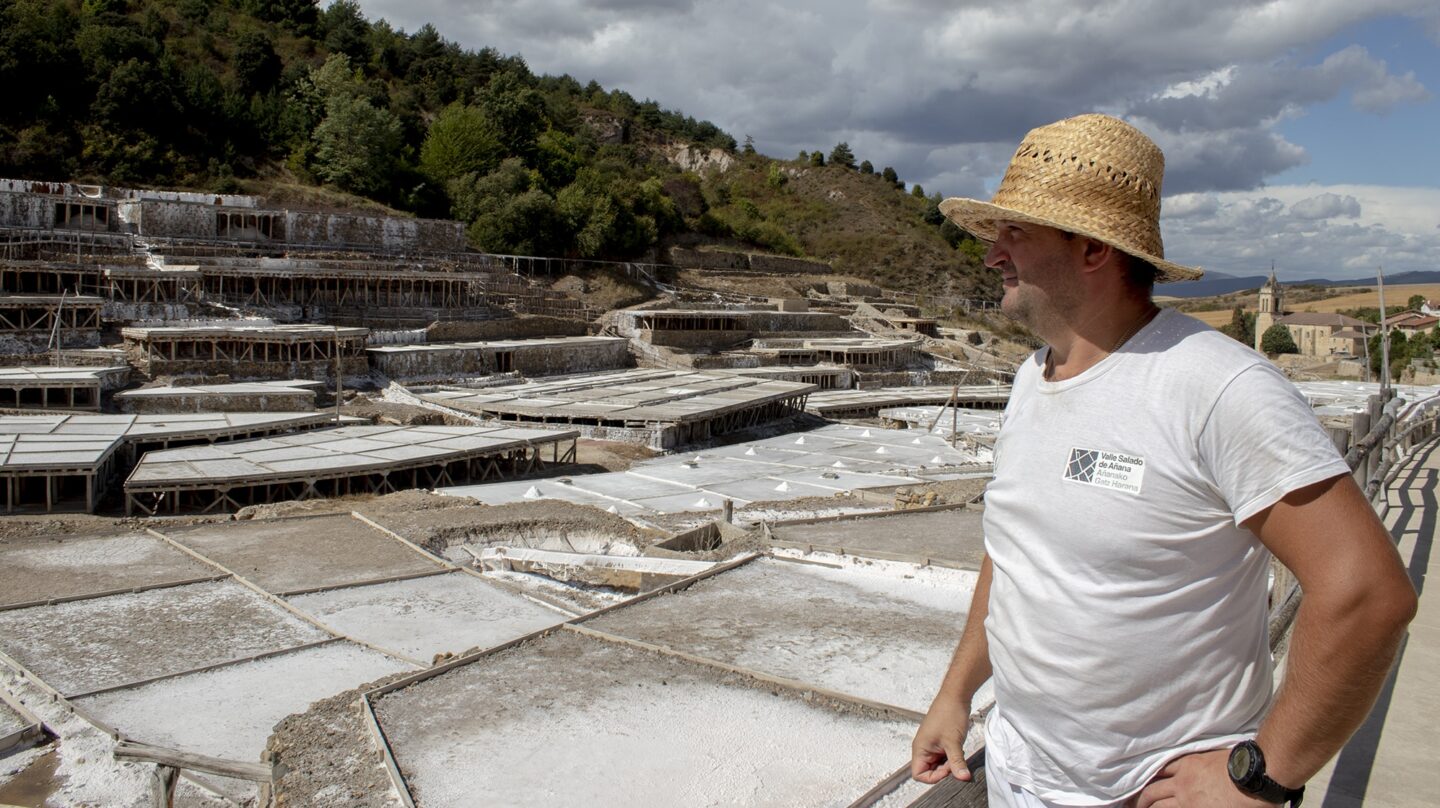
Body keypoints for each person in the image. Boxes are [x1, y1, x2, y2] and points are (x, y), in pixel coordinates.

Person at [909, 114, 1417, 807]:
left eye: (1015, 233)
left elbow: (1369, 594)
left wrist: (1262, 776)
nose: (994, 254)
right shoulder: (1034, 378)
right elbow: (1016, 551)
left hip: (1146, 791)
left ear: (1092, 249)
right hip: (1022, 774)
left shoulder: (1217, 387)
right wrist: (955, 692)